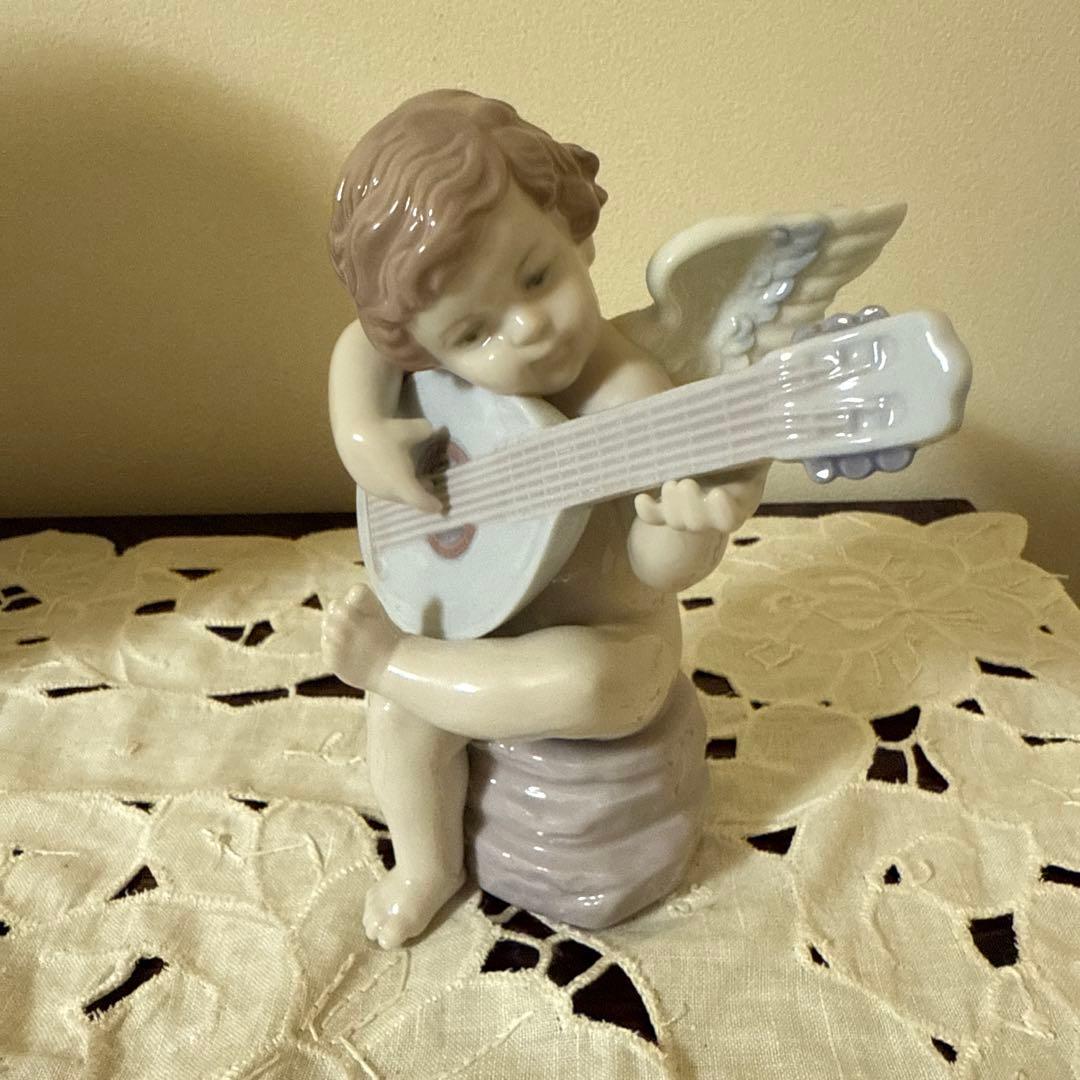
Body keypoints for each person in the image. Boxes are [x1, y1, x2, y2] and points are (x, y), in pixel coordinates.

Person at [322, 90, 767, 948]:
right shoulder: (416, 359)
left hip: (610, 640)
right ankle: (425, 865)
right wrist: (362, 433)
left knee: (587, 680)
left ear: (572, 229)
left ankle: (391, 663)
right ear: (426, 347)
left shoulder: (636, 400)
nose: (527, 327)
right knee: (402, 720)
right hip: (483, 616)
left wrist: (686, 528)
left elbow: (656, 568)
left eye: (537, 276)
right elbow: (360, 346)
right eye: (473, 333)